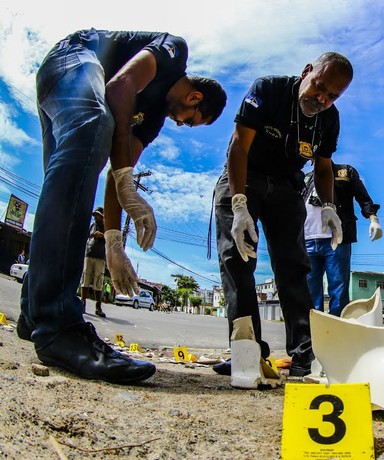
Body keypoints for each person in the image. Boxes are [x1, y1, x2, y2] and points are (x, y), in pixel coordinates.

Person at [17, 28, 227, 384]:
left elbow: (120, 170)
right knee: (95, 125)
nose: (181, 123)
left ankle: (34, 314)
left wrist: (114, 242)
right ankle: (59, 327)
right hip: (74, 58)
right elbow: (119, 86)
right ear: (194, 97)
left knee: (68, 183)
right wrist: (126, 179)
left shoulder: (154, 120)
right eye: (190, 120)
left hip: (67, 89)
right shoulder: (173, 52)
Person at [213, 52, 353, 378]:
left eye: (332, 96)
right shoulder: (269, 90)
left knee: (294, 267)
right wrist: (238, 204)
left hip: (288, 188)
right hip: (244, 177)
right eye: (318, 87)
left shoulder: (329, 119)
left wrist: (329, 207)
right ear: (306, 71)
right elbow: (239, 146)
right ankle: (246, 354)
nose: (321, 99)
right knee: (238, 260)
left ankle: (306, 356)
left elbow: (322, 166)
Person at [303, 163, 382, 316]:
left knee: (338, 288)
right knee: (309, 290)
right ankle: (314, 331)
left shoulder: (345, 172)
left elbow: (362, 197)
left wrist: (373, 218)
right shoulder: (307, 177)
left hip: (337, 238)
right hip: (307, 238)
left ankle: (337, 329)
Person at [80, 207, 107, 318]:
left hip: (100, 257)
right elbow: (86, 237)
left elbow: (112, 239)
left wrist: (102, 235)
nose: (96, 217)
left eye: (98, 215)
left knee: (98, 282)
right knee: (85, 279)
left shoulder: (107, 227)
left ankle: (98, 307)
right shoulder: (92, 226)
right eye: (95, 215)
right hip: (89, 255)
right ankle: (82, 304)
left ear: (103, 216)